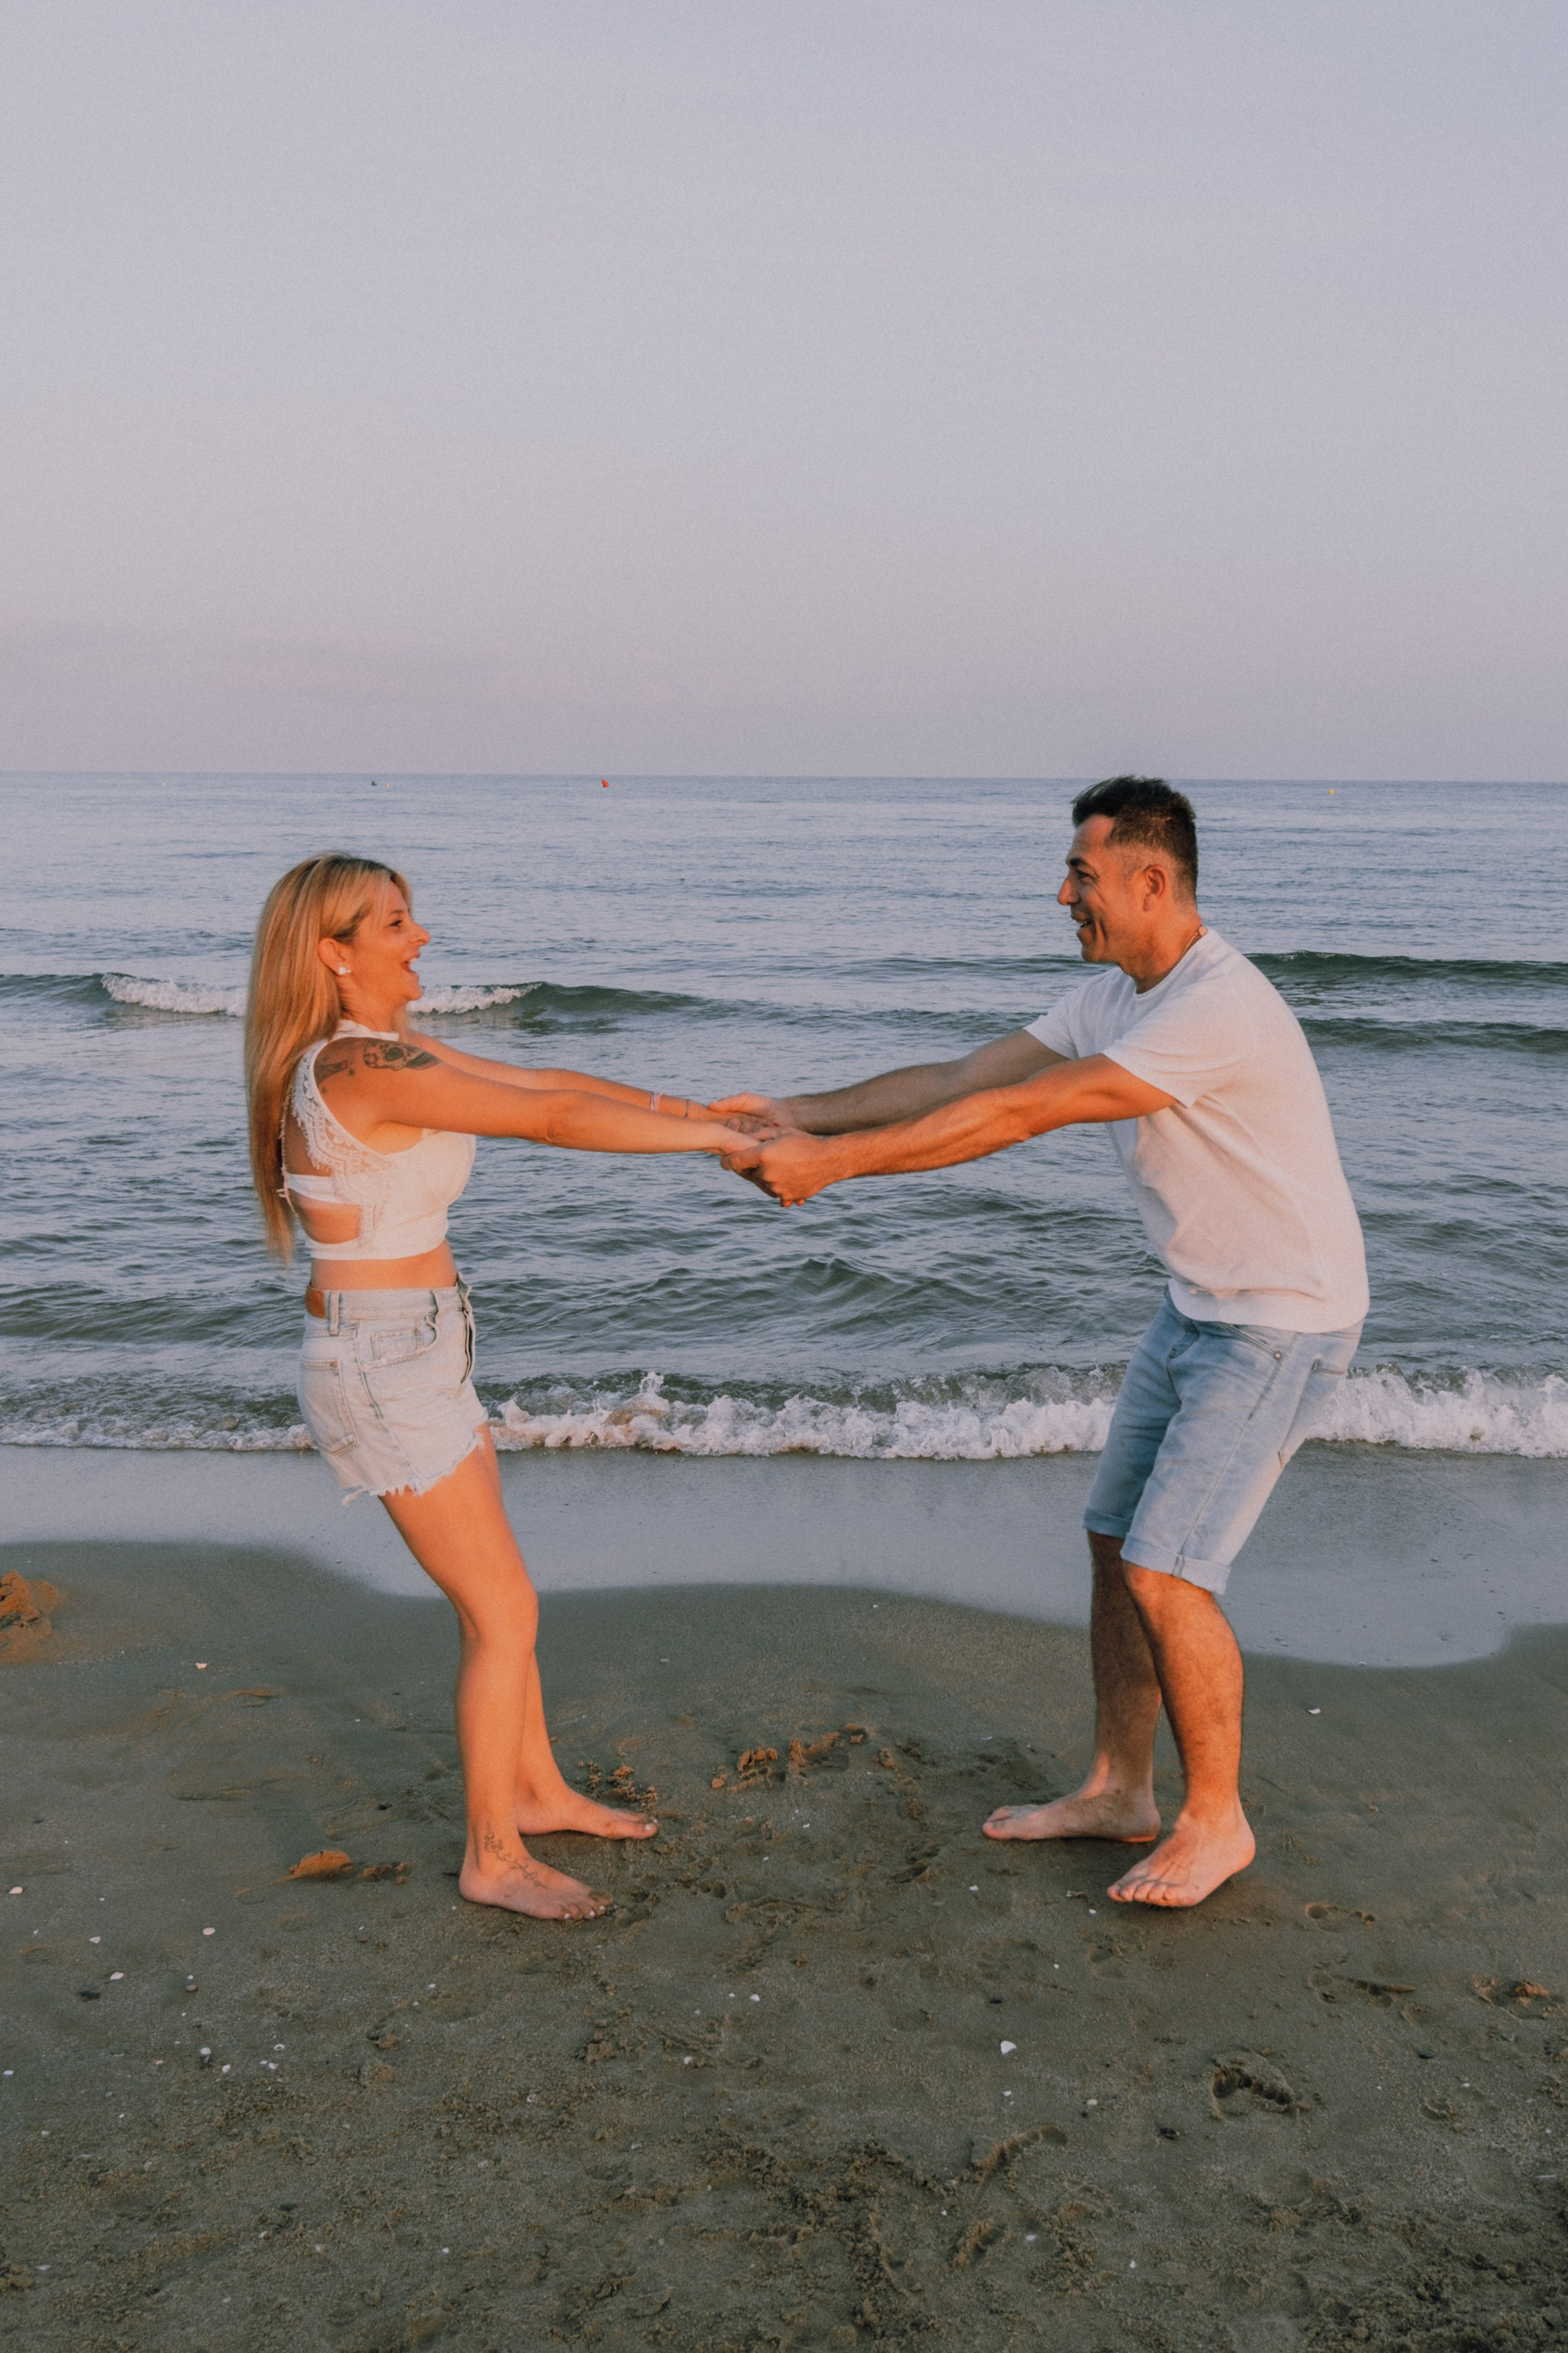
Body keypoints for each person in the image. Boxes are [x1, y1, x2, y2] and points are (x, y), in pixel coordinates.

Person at [715, 777, 1367, 1909]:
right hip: (1198, 1305)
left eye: (1082, 873)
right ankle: (1121, 1789)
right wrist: (796, 1114)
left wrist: (834, 1167)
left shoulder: (1215, 1006)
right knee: (1117, 1540)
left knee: (1170, 1570)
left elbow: (1025, 1113)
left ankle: (1219, 1820)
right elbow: (965, 1080)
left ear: (1151, 880)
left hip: (1281, 1317)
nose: (1064, 894)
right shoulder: (1114, 995)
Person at [246, 853, 766, 1922]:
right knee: (504, 1611)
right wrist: (715, 1141)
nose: (422, 937)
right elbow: (552, 1121)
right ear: (334, 952)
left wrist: (704, 1109)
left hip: (425, 1348)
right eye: (396, 922)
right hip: (381, 1365)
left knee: (504, 1601)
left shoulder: (386, 1050)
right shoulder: (357, 1069)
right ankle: (492, 1852)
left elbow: (546, 1083)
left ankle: (534, 1790)